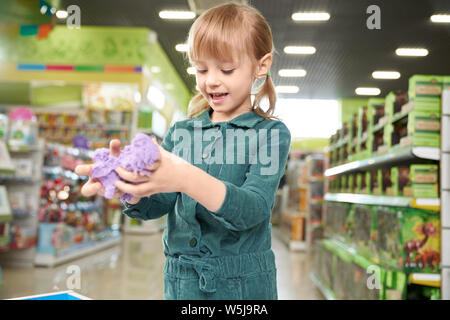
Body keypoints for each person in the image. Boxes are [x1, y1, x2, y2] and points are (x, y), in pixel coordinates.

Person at [75, 2, 291, 300]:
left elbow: (253, 210)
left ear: (261, 65)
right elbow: (160, 202)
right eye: (201, 69)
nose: (211, 80)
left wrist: (184, 177)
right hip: (181, 282)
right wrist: (128, 186)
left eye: (226, 69)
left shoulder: (270, 134)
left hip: (242, 286)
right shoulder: (181, 132)